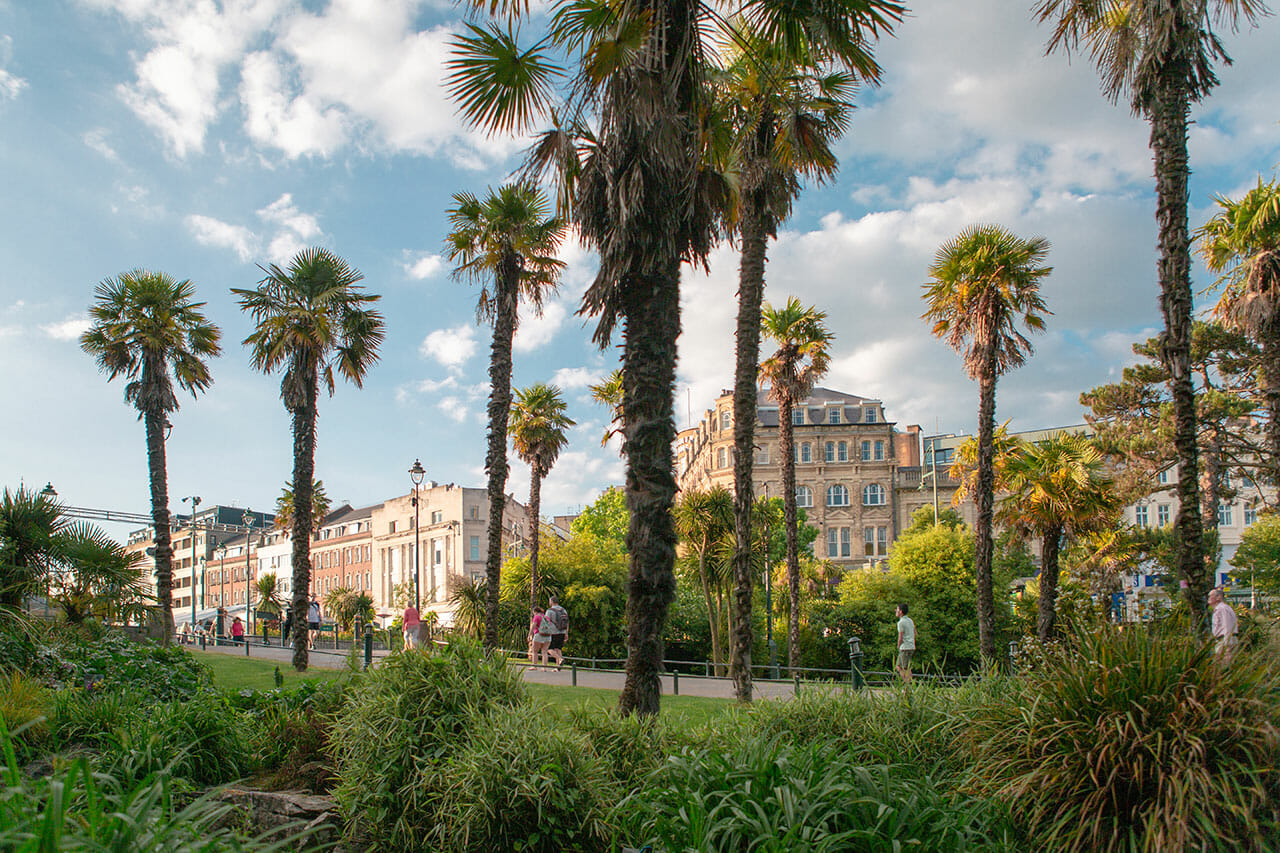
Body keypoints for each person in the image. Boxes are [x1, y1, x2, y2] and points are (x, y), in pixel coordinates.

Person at [1209, 588, 1238, 660]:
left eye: (1210, 596)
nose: (1209, 598)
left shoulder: (1222, 609)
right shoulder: (1220, 609)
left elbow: (1227, 625)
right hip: (1222, 640)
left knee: (1224, 664)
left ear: (1218, 597)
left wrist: (1227, 643)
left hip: (1225, 641)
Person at [543, 595, 568, 670]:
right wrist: (566, 633)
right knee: (558, 649)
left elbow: (546, 622)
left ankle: (560, 659)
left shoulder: (549, 611)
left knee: (549, 649)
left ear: (552, 601)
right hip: (562, 632)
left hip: (553, 632)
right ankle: (558, 667)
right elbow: (567, 622)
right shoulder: (564, 610)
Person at [895, 603, 915, 684]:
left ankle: (908, 685)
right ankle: (908, 684)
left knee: (904, 668)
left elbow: (900, 637)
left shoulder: (901, 622)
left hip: (905, 647)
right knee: (902, 667)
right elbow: (915, 632)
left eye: (897, 609)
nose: (896, 611)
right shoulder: (910, 620)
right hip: (911, 646)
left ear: (901, 612)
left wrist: (898, 646)